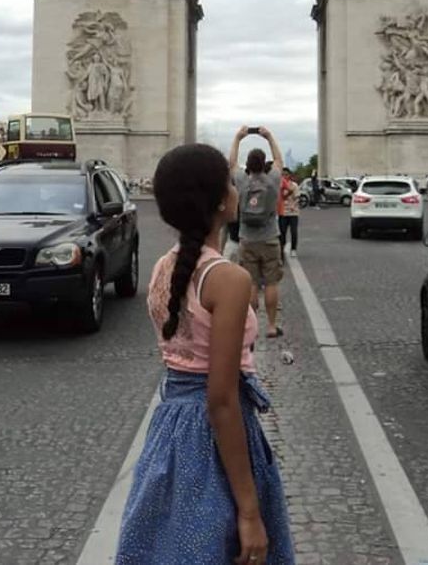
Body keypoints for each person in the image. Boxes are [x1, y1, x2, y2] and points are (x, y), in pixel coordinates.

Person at [115, 143, 294, 564]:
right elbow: (222, 399)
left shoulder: (164, 267)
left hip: (169, 432)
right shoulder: (227, 280)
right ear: (219, 201)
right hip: (213, 437)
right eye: (230, 184)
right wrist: (249, 511)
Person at [229, 126, 284, 338]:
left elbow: (232, 163)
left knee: (251, 283)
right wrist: (269, 136)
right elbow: (279, 161)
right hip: (270, 236)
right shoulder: (273, 180)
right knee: (271, 282)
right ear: (264, 164)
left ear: (249, 165)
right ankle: (271, 326)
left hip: (247, 238)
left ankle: (251, 328)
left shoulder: (242, 180)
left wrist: (238, 138)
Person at [278, 167, 300, 262]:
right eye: (282, 174)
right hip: (283, 212)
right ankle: (281, 250)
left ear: (289, 175)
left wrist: (293, 205)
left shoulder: (294, 185)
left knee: (293, 231)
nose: (284, 176)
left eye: (286, 174)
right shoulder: (279, 185)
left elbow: (297, 198)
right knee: (282, 233)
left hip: (293, 212)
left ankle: (293, 249)